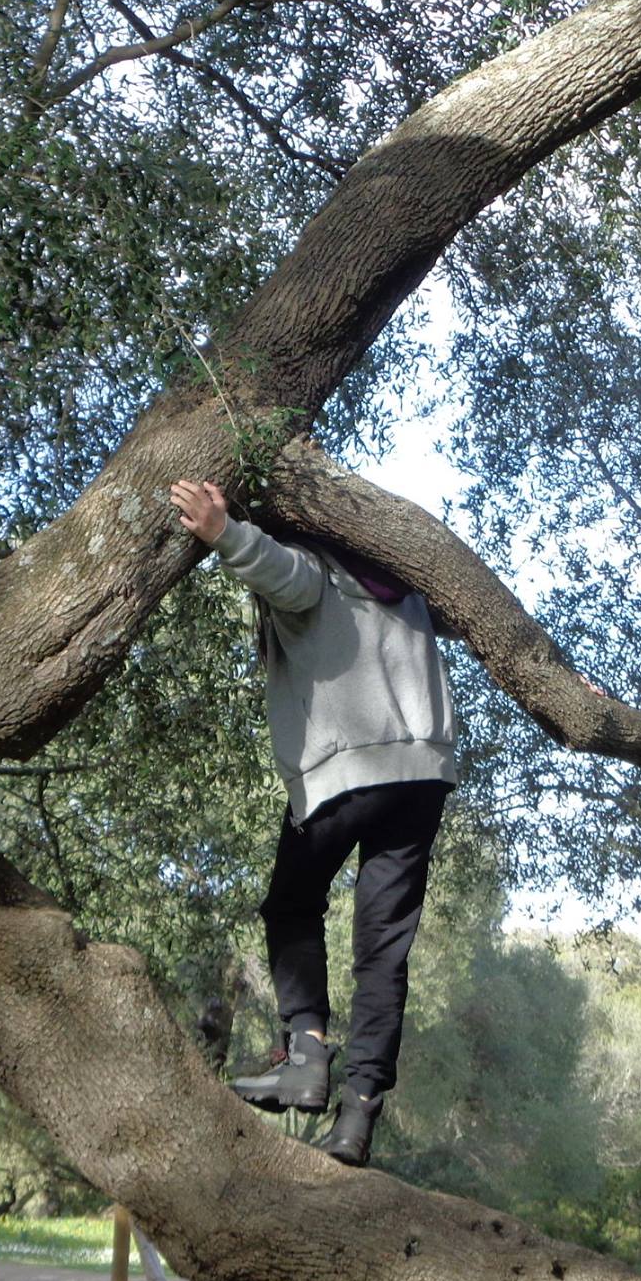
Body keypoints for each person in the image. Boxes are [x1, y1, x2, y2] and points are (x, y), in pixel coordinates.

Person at [169, 478, 456, 1168]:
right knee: (383, 951)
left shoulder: (317, 564)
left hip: (343, 772)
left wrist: (223, 533)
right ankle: (357, 1115)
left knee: (292, 906)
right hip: (422, 775)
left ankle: (305, 1056)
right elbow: (485, 622)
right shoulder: (408, 581)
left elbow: (285, 576)